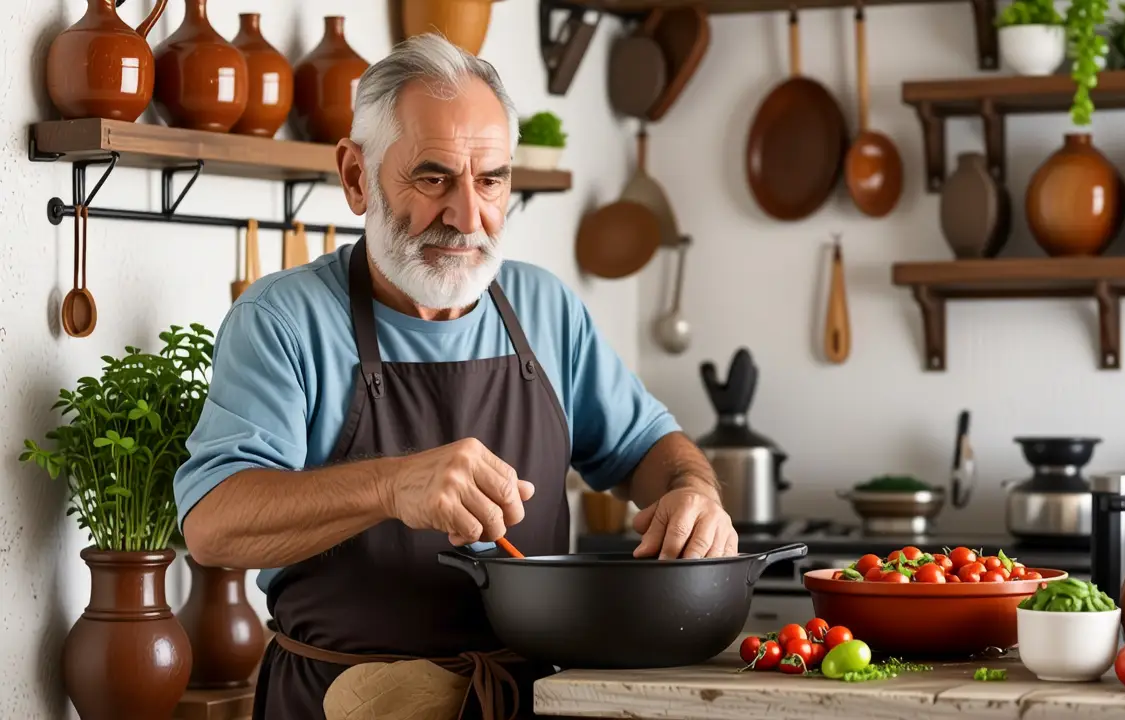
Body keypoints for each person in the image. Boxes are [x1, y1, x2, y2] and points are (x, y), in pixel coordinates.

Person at [173, 33, 736, 720]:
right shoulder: (283, 320)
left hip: (525, 701)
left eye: (492, 179)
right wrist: (390, 485)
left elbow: (650, 448)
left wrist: (693, 494)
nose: (468, 217)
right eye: (434, 177)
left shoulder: (543, 308)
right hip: (342, 706)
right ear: (356, 177)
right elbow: (213, 525)